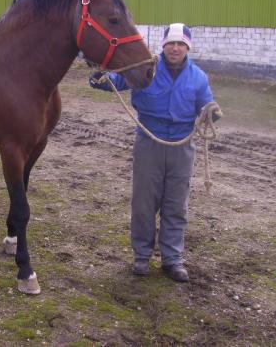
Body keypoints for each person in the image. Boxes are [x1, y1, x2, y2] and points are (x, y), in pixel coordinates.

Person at [89, 23, 219, 283]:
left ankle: (172, 259)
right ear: (163, 45)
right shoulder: (146, 68)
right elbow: (117, 79)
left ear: (187, 48)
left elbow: (206, 102)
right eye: (171, 43)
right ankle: (141, 255)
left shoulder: (198, 77)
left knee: (176, 204)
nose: (175, 48)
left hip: (183, 147)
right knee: (143, 203)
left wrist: (211, 111)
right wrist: (100, 78)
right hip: (149, 142)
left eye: (181, 44)